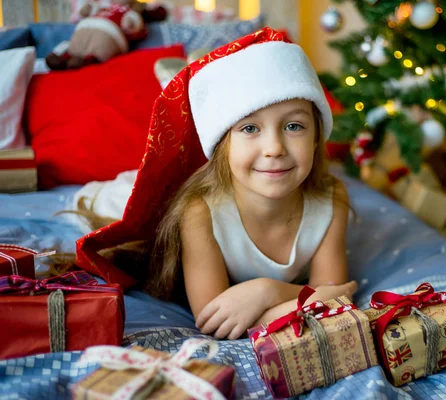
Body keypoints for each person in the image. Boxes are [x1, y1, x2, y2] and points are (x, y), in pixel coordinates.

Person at [74, 27, 357, 340]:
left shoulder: (331, 199)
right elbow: (214, 317)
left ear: (317, 137)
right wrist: (299, 295)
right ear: (222, 143)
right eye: (249, 128)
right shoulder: (199, 211)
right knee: (108, 202)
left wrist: (266, 293)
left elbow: (333, 300)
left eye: (294, 125)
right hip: (126, 198)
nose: (274, 148)